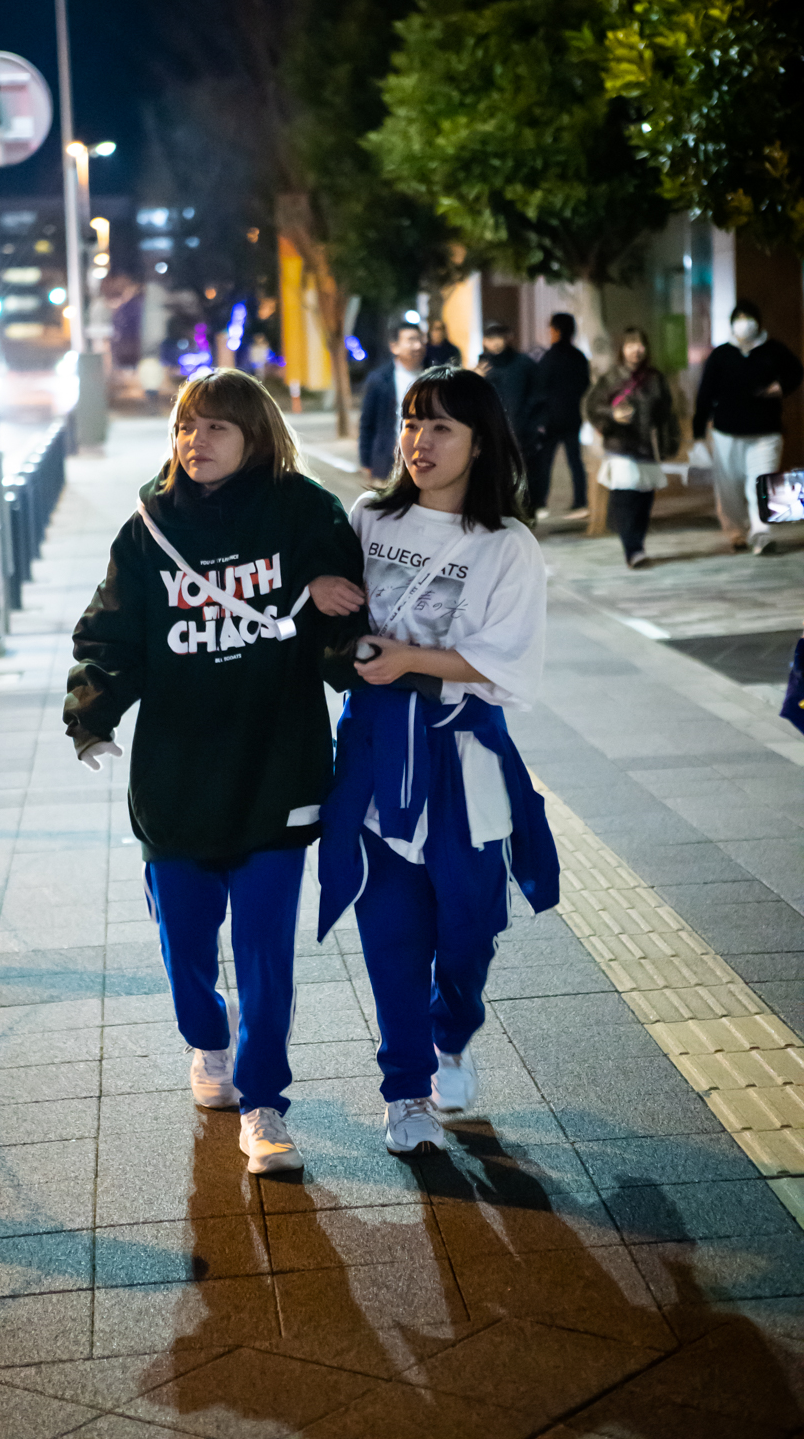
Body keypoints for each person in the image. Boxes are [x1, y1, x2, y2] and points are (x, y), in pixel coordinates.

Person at [64, 368, 366, 1175]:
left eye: (215, 427)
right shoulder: (148, 530)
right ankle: (207, 1038)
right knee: (185, 944)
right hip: (178, 775)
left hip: (278, 766)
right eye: (185, 427)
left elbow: (346, 628)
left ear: (255, 436)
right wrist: (91, 715)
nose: (194, 441)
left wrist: (341, 623)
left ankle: (265, 1104)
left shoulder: (304, 511)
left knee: (268, 953)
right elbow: (109, 635)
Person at [317, 367, 560, 1156]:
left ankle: (451, 1031)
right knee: (389, 929)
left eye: (442, 426)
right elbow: (332, 617)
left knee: (470, 926)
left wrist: (411, 660)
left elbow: (509, 665)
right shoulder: (369, 516)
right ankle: (406, 1090)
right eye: (412, 422)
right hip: (376, 755)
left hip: (464, 757)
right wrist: (320, 589)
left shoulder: (507, 545)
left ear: (480, 442)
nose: (419, 441)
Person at [693, 299, 804, 555]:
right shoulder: (721, 355)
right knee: (729, 488)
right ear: (732, 324)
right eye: (739, 319)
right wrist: (698, 431)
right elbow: (705, 394)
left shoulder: (773, 350)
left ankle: (762, 533)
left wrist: (780, 387)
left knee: (762, 484)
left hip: (765, 432)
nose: (744, 324)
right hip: (726, 434)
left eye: (748, 318)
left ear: (758, 322)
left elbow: (796, 371)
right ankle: (735, 531)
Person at [584, 327, 679, 569]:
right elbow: (592, 407)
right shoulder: (611, 377)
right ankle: (633, 549)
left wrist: (668, 443)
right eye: (630, 345)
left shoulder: (655, 379)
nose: (636, 350)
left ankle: (637, 544)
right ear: (622, 349)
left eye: (640, 344)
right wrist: (612, 414)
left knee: (643, 499)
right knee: (627, 495)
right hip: (620, 445)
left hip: (646, 447)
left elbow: (666, 415)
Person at [531, 312, 590, 519]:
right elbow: (585, 384)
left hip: (551, 418)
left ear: (555, 330)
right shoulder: (579, 357)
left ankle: (540, 502)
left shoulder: (549, 357)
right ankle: (580, 501)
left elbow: (539, 386)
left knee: (545, 462)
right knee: (575, 460)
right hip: (573, 415)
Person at [358, 321, 426, 483]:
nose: (418, 346)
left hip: (424, 459)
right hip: (388, 461)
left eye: (420, 340)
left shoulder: (433, 376)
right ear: (394, 347)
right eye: (411, 340)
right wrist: (366, 461)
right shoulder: (379, 379)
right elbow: (367, 423)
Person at [475, 320, 541, 455]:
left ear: (506, 339)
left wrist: (533, 426)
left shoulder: (524, 363)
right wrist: (475, 379)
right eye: (490, 339)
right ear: (484, 342)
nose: (495, 343)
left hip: (522, 436)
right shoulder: (482, 368)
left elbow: (538, 395)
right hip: (492, 436)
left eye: (498, 338)